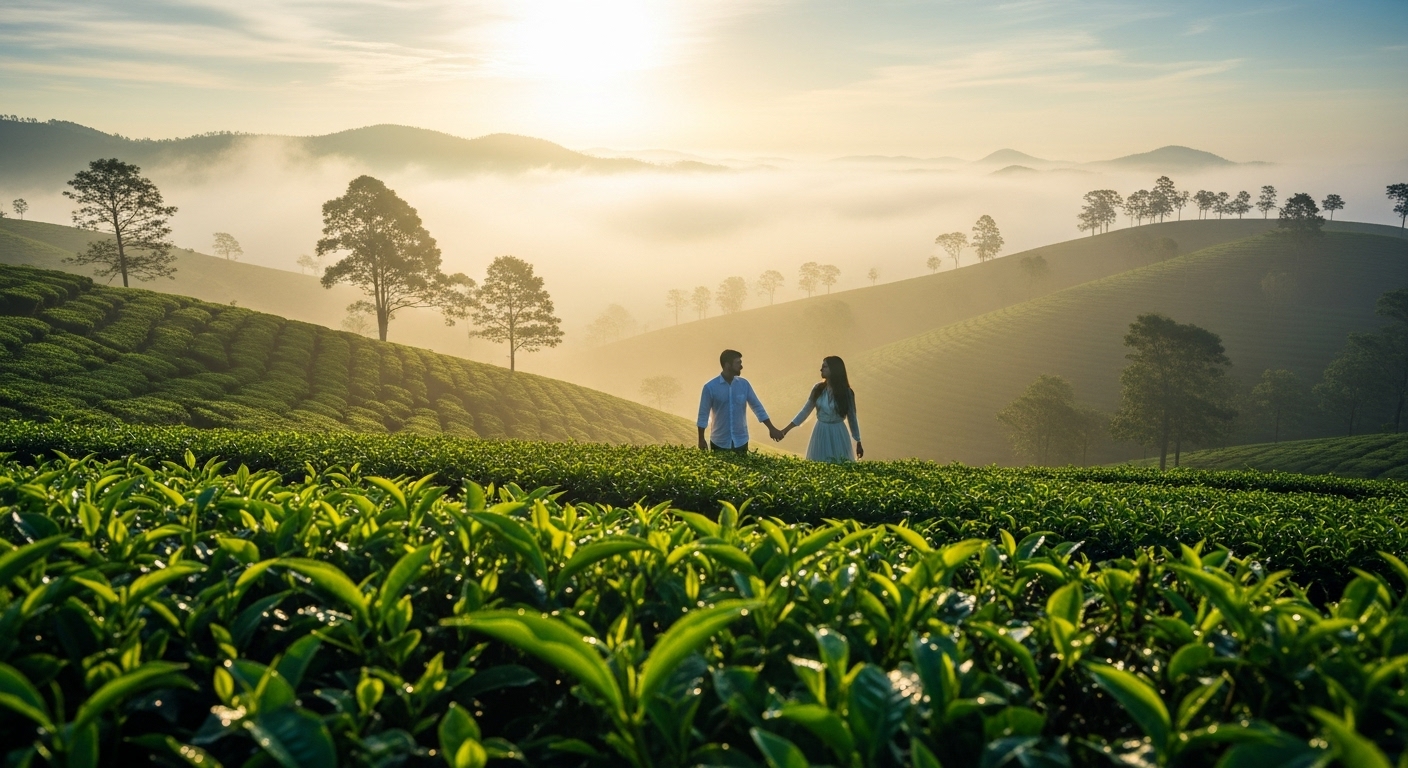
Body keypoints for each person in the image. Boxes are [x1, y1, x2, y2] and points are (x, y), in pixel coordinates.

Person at [778, 356, 863, 462]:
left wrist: (858, 441)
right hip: (820, 431)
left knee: (840, 464)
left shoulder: (847, 393)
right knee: (818, 463)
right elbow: (805, 411)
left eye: (825, 367)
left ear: (834, 370)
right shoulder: (818, 389)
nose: (821, 369)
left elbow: (852, 418)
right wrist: (786, 430)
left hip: (838, 433)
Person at [698, 349, 783, 453]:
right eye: (738, 363)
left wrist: (771, 428)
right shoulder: (710, 387)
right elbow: (703, 415)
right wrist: (701, 439)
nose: (741, 366)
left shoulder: (744, 385)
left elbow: (757, 407)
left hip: (741, 442)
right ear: (727, 365)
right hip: (719, 442)